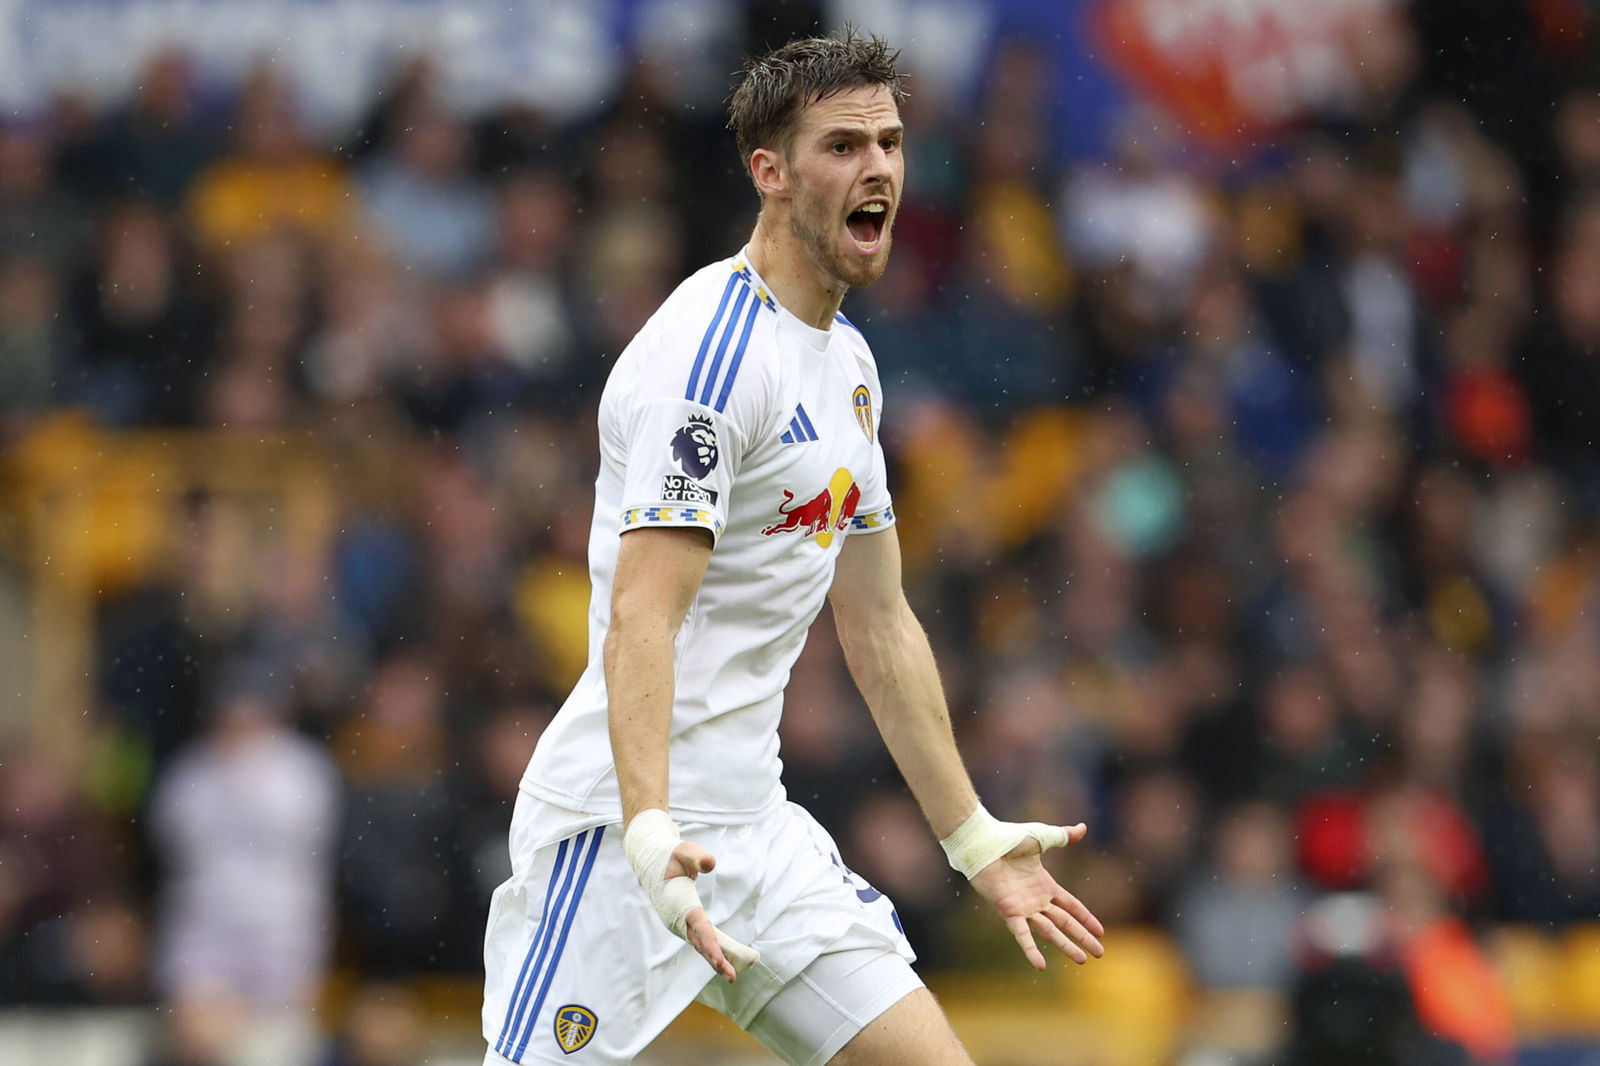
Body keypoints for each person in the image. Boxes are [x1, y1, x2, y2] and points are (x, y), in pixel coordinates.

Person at [481, 31, 1105, 1066]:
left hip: (755, 829)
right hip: (621, 831)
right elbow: (644, 611)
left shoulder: (848, 364)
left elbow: (878, 619)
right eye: (843, 146)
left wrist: (970, 836)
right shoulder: (711, 358)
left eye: (890, 142)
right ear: (769, 172)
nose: (878, 168)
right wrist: (647, 829)